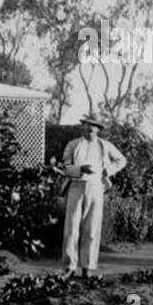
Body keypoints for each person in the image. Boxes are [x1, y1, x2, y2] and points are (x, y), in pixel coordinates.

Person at [56, 114, 127, 279]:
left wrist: (106, 170)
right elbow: (65, 167)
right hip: (76, 186)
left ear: (99, 129)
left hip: (96, 188)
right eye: (88, 125)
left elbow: (121, 160)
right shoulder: (73, 145)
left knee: (92, 229)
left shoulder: (105, 146)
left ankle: (88, 266)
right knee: (71, 228)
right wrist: (80, 170)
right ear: (83, 126)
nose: (90, 128)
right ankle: (69, 266)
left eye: (94, 126)